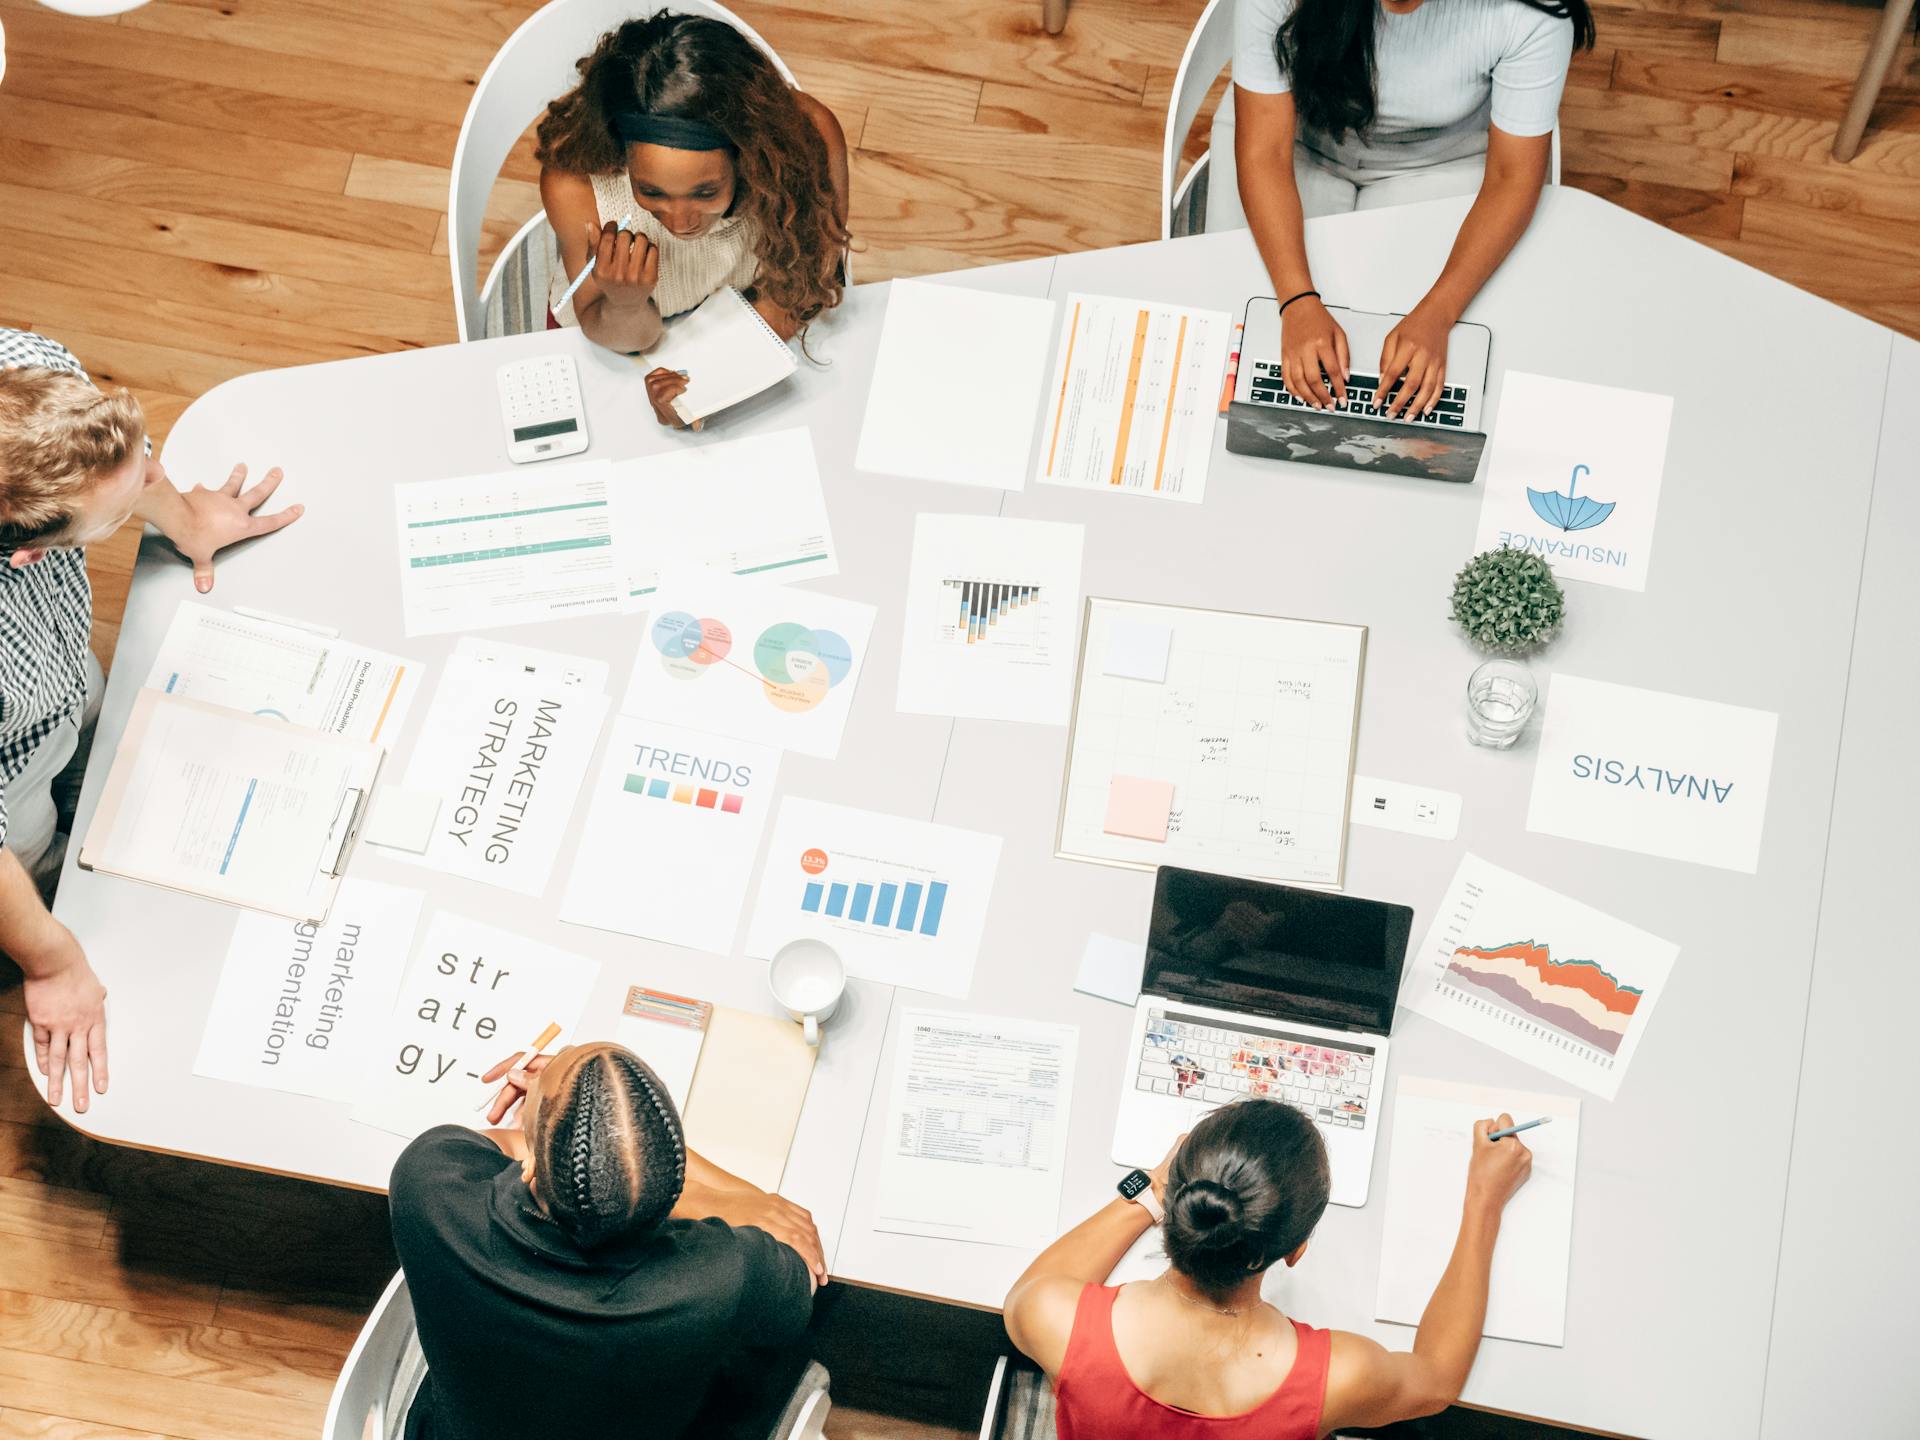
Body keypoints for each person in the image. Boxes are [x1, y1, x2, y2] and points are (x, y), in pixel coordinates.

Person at [0, 328, 301, 1114]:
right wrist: (52, 963)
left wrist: (185, 518)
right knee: (33, 860)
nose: (159, 477)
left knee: (99, 732)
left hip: (58, 673)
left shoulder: (33, 375)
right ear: (28, 554)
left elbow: (130, 462)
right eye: (124, 506)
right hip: (10, 772)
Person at [1004, 1098, 1533, 1436]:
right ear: (1297, 1248)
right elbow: (1438, 1381)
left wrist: (1151, 1188)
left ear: (1182, 1212)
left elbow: (1030, 1287)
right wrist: (1483, 1203)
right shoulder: (1338, 1377)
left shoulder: (1055, 1317)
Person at [389, 1040, 829, 1440]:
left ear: (529, 1166)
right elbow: (798, 1278)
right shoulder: (726, 1274)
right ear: (674, 1193)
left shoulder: (429, 1182)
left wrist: (561, 1116)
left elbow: (490, 1148)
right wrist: (650, 1151)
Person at [1221, 0, 1595, 419]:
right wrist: (1296, 299)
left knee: (1447, 363)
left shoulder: (1532, 12)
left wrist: (1439, 313)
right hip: (1300, 142)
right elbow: (1265, 152)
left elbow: (1512, 177)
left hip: (1439, 158)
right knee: (1243, 332)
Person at [534, 11, 851, 428]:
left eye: (705, 193)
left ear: (748, 154)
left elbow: (802, 285)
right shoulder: (572, 184)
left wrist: (708, 386)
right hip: (615, 331)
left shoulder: (805, 138)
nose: (681, 223)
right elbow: (626, 337)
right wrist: (626, 303)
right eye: (651, 192)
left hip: (754, 313)